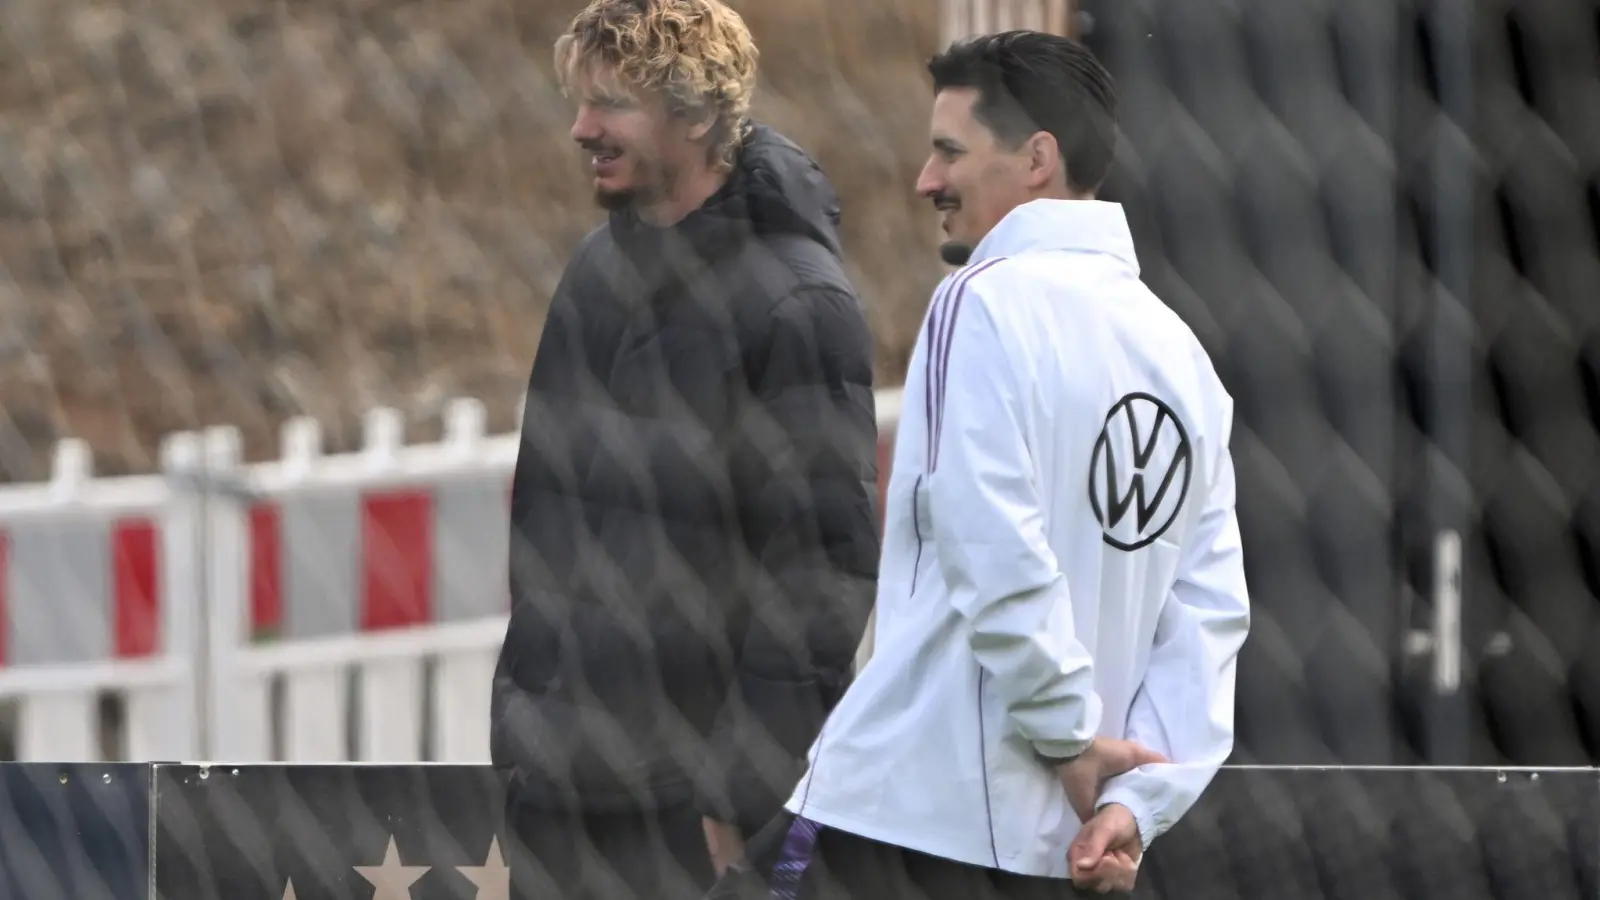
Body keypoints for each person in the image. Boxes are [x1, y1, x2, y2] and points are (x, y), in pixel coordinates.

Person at [712, 30, 1252, 900]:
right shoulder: (1183, 356)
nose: (927, 180)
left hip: (906, 809)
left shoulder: (982, 300)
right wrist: (1137, 800)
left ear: (1036, 158)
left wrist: (1070, 739)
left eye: (949, 151)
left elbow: (988, 534)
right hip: (1063, 843)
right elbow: (1209, 614)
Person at [490, 1, 880, 898]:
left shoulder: (797, 304)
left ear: (698, 115)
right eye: (581, 102)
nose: (582, 128)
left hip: (692, 818)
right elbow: (544, 517)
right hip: (562, 793)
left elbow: (822, 572)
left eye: (612, 105)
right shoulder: (597, 271)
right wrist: (525, 723)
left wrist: (741, 795)